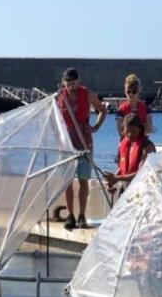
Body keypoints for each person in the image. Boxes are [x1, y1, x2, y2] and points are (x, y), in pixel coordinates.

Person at [58, 67, 107, 230]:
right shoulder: (60, 97)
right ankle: (71, 215)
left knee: (84, 179)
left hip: (84, 141)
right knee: (67, 181)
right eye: (68, 83)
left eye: (73, 82)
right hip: (67, 143)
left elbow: (102, 110)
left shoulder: (86, 94)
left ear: (78, 81)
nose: (71, 86)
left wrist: (95, 127)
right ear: (64, 83)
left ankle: (81, 215)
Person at [104, 114, 156, 193]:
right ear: (123, 130)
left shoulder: (147, 147)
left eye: (133, 131)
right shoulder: (124, 143)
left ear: (140, 129)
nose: (130, 134)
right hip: (125, 187)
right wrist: (111, 182)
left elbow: (142, 173)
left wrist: (117, 178)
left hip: (141, 190)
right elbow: (122, 169)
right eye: (127, 131)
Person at [115, 74, 153, 138]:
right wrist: (141, 127)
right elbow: (120, 132)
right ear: (125, 91)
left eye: (134, 91)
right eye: (128, 91)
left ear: (139, 91)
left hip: (142, 141)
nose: (131, 94)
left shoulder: (146, 109)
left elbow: (149, 129)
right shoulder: (121, 110)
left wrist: (129, 129)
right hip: (127, 141)